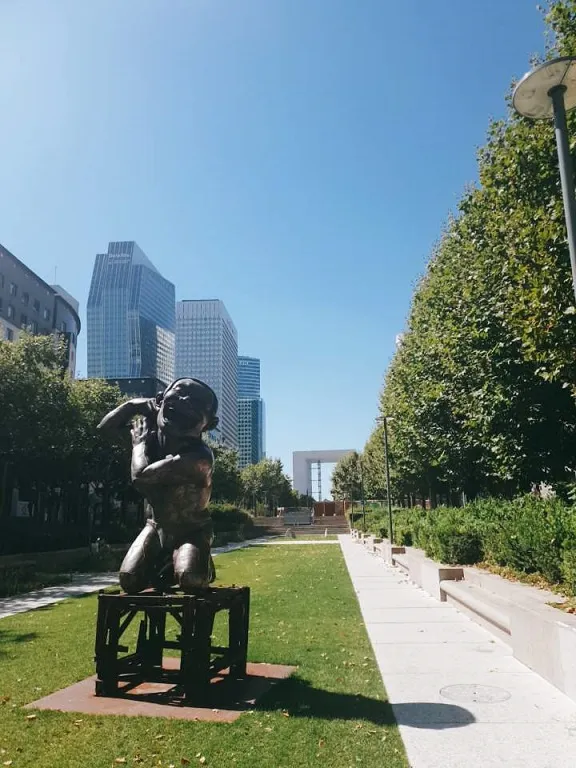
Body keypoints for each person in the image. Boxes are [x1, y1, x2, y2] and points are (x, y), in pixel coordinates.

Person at [97, 378, 219, 594]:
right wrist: (132, 405)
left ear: (209, 423)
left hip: (192, 529)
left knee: (189, 578)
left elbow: (141, 477)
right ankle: (167, 563)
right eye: (179, 392)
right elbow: (105, 429)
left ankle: (202, 564)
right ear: (161, 399)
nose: (185, 402)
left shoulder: (199, 458)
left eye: (197, 403)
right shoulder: (151, 433)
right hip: (156, 525)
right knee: (129, 580)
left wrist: (139, 445)